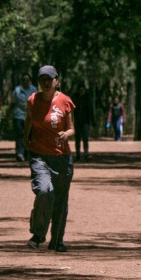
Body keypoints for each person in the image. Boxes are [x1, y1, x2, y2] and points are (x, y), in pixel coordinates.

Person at [24, 65, 75, 252]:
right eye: (42, 79)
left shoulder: (65, 101)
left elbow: (72, 128)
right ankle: (38, 234)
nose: (46, 83)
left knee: (61, 200)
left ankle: (57, 240)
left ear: (57, 81)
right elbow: (28, 123)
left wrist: (66, 134)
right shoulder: (32, 100)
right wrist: (26, 143)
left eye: (49, 79)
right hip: (40, 156)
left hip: (62, 158)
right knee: (45, 191)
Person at [11, 74, 37, 161]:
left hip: (30, 116)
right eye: (23, 80)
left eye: (27, 80)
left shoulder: (34, 90)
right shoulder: (16, 90)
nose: (25, 81)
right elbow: (13, 103)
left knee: (29, 135)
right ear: (21, 81)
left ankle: (27, 153)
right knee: (19, 135)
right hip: (18, 115)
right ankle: (19, 153)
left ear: (30, 81)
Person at [71, 84, 93, 161]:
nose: (81, 91)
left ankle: (86, 154)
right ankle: (78, 154)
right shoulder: (74, 97)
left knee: (85, 138)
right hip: (77, 121)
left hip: (85, 121)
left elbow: (90, 110)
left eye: (82, 89)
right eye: (80, 89)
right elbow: (71, 109)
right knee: (77, 139)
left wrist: (92, 121)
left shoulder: (87, 97)